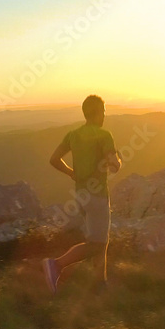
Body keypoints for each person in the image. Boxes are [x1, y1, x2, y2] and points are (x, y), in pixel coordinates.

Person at [43, 95, 121, 293]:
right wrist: (117, 159)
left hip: (81, 195)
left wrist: (71, 172)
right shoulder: (104, 136)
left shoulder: (73, 135)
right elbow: (114, 167)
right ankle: (56, 265)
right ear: (97, 113)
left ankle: (100, 284)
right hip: (97, 196)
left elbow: (54, 159)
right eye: (103, 111)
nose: (104, 115)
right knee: (97, 243)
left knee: (99, 238)